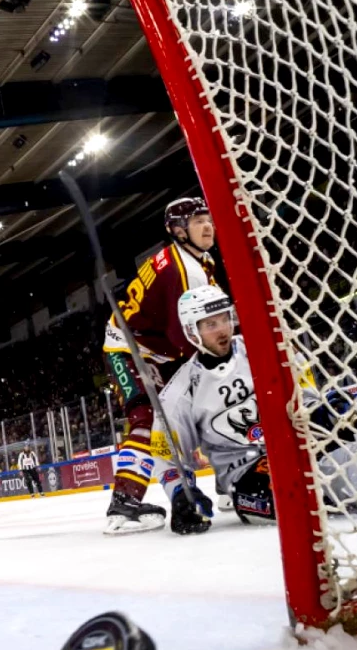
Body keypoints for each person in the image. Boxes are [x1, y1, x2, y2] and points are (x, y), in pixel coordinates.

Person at [102, 197, 218, 534]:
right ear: (178, 230)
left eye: (207, 219)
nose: (208, 226)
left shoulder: (197, 259)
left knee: (195, 407)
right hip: (126, 346)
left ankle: (224, 478)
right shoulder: (184, 271)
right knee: (147, 418)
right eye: (198, 221)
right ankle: (124, 503)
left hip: (160, 349)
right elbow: (183, 337)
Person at [156, 286, 275, 535]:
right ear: (192, 331)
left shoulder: (263, 346)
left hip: (290, 447)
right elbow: (169, 458)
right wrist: (181, 494)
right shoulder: (178, 395)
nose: (222, 329)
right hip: (245, 473)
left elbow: (303, 394)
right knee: (297, 498)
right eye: (210, 324)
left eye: (225, 319)